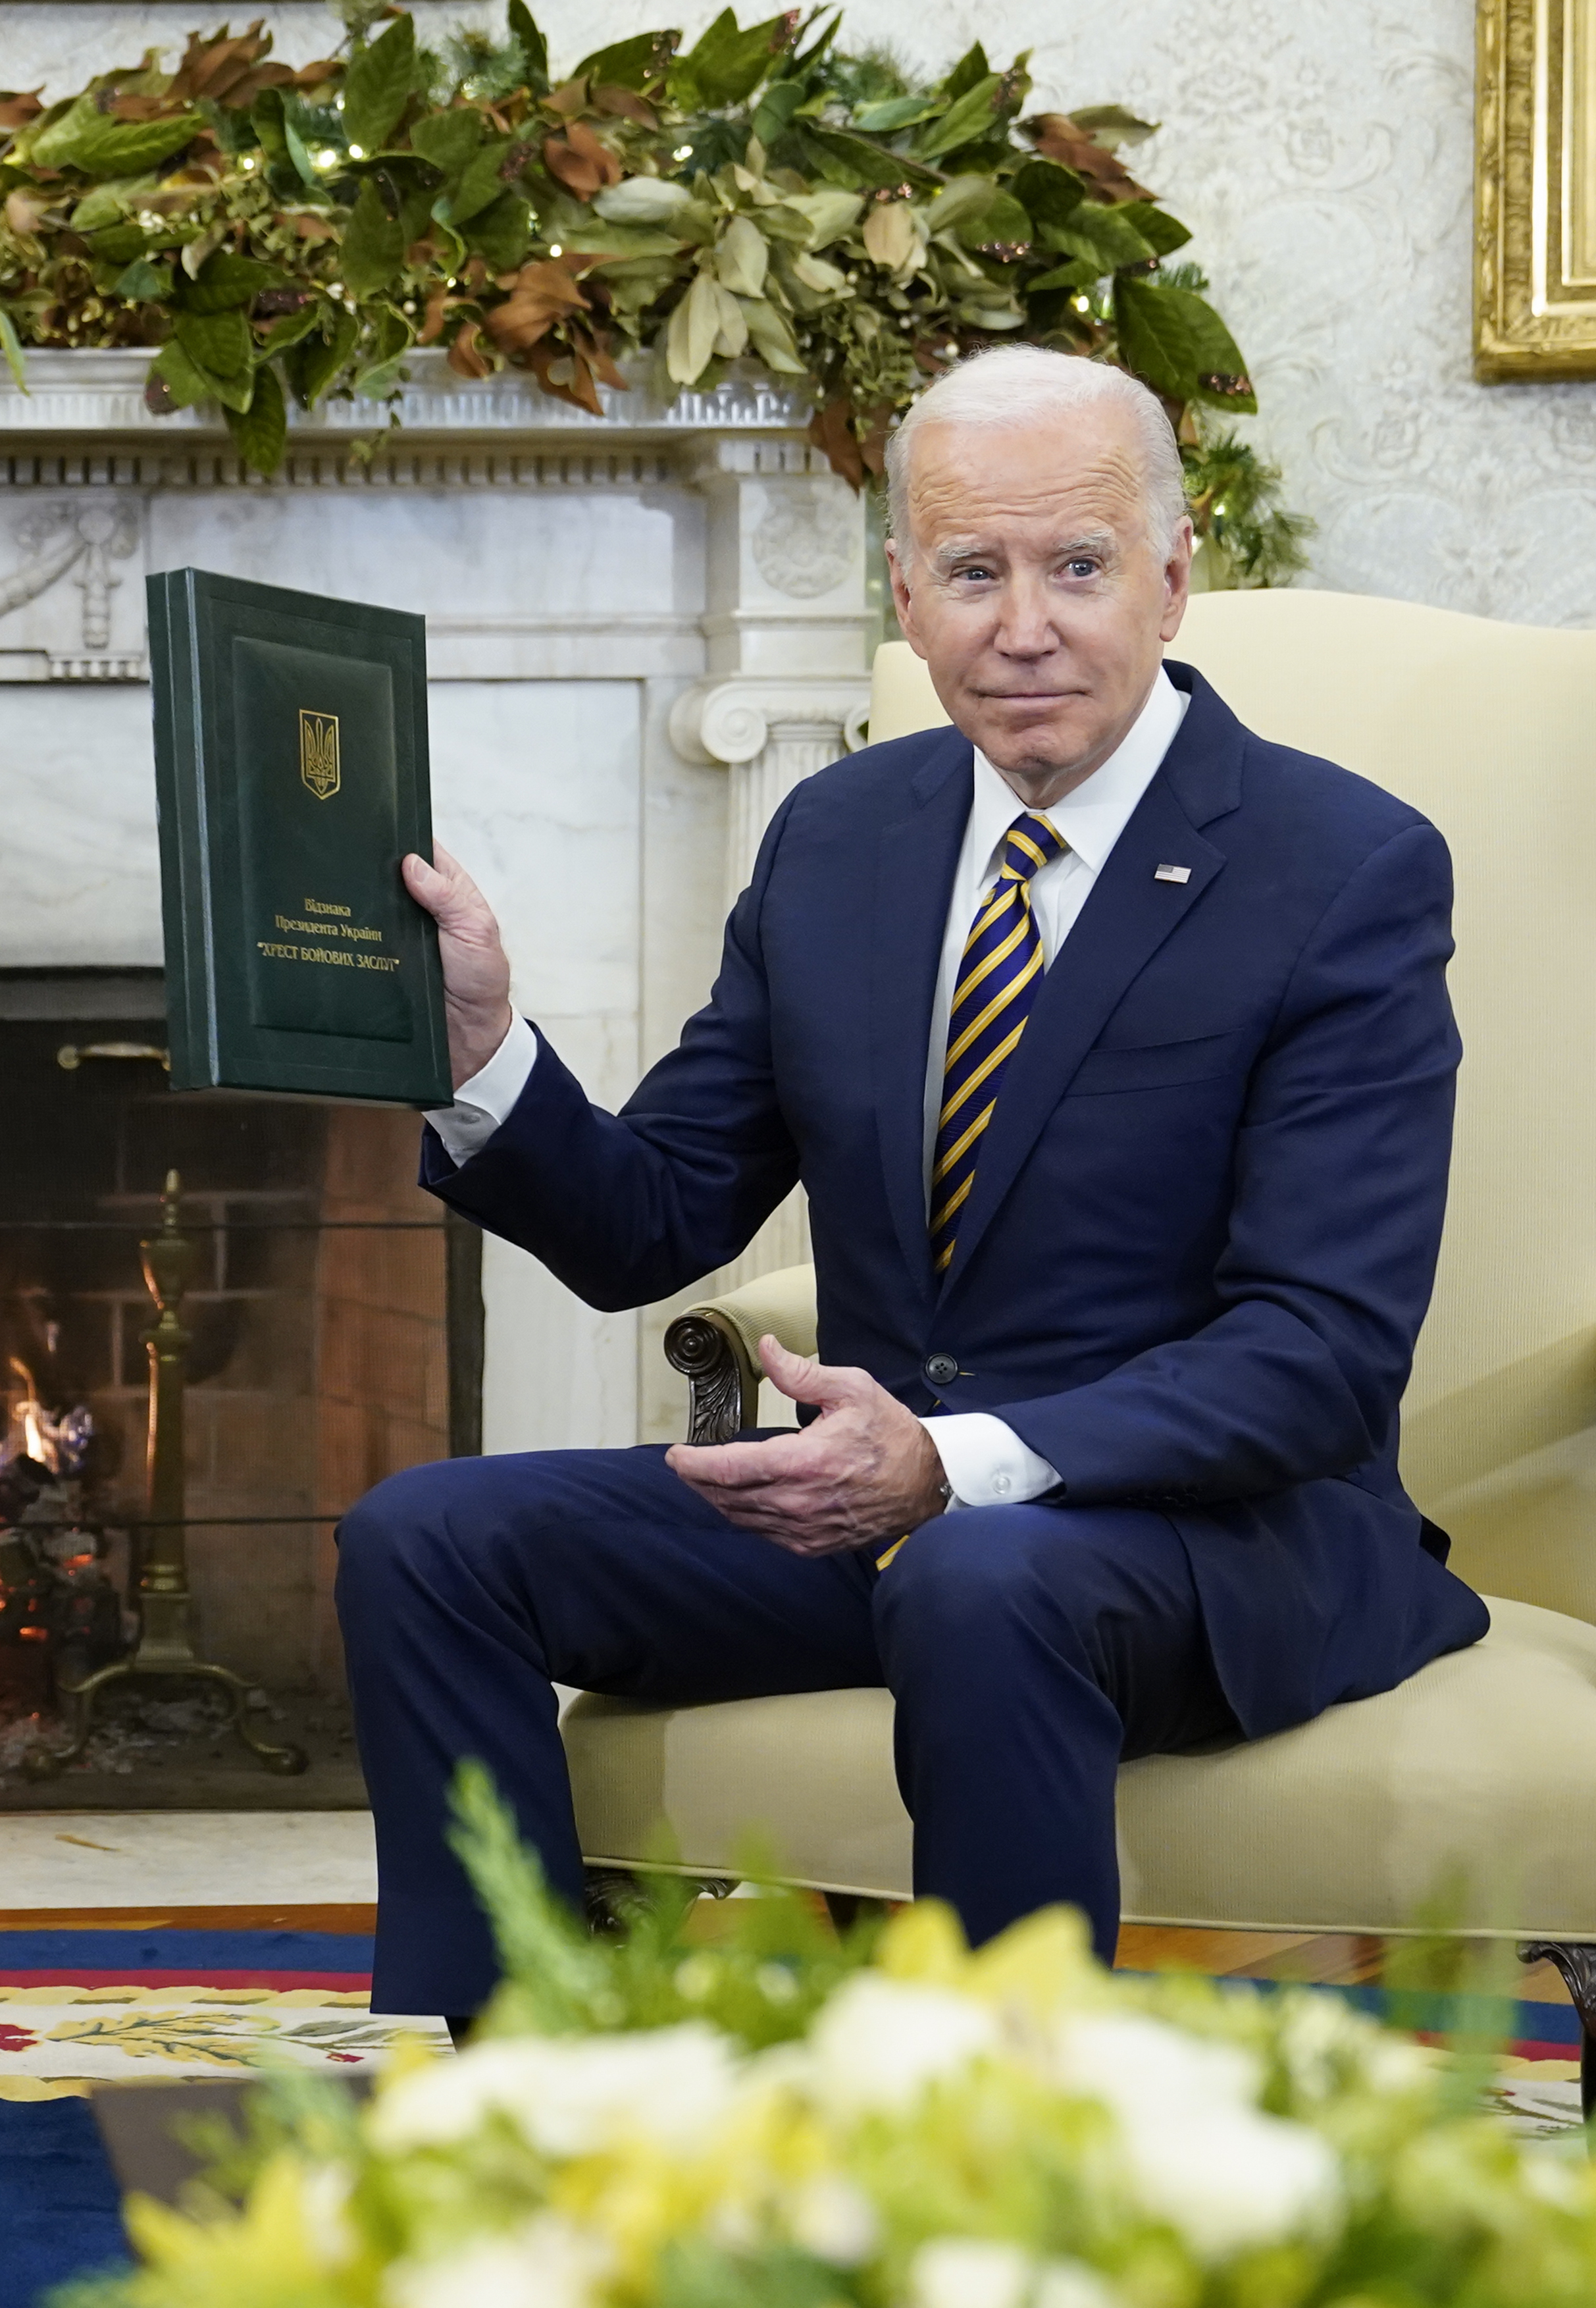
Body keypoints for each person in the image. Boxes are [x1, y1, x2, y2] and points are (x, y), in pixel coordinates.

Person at [337, 345, 1488, 2030]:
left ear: (1174, 577)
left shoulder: (1343, 870)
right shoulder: (838, 836)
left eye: (1075, 565)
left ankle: (990, 2146)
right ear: (904, 591)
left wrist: (943, 1469)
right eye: (971, 571)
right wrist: (475, 1053)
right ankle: (530, 2079)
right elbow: (649, 1216)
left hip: (1208, 1538)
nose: (1020, 626)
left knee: (976, 1570)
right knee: (423, 1537)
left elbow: (1314, 1354)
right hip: (876, 1509)